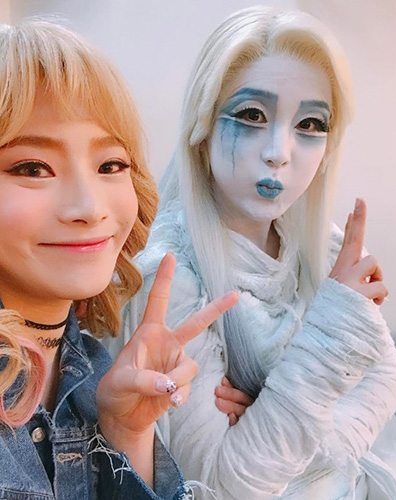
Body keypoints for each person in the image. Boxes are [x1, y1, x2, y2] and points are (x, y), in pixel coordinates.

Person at [112, 6, 396, 500]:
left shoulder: (324, 243)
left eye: (310, 124)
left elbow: (387, 377)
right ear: (202, 126)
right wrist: (332, 344)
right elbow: (221, 485)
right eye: (252, 115)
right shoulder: (172, 279)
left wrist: (275, 414)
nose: (280, 152)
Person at [0, 19, 238, 500]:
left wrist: (128, 435)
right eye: (32, 168)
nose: (90, 208)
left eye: (110, 164)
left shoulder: (94, 369)